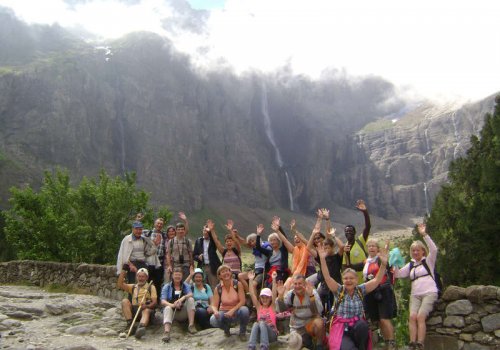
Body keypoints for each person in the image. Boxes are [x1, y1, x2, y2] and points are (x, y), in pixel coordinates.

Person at [318, 242, 389, 350]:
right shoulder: (339, 290)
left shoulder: (361, 290)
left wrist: (383, 264)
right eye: (346, 278)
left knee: (363, 325)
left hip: (357, 327)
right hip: (342, 328)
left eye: (351, 278)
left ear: (356, 280)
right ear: (342, 280)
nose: (348, 280)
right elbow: (327, 277)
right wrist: (322, 259)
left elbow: (376, 280)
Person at [394, 223, 438, 350]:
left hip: (429, 292)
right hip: (415, 295)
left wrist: (424, 234)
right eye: (413, 250)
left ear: (423, 251)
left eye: (418, 250)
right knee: (412, 317)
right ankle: (412, 343)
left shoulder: (428, 261)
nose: (415, 252)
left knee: (420, 316)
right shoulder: (411, 265)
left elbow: (434, 249)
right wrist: (395, 262)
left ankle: (420, 343)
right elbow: (398, 274)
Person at [363, 238, 397, 350]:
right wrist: (347, 254)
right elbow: (351, 266)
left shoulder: (380, 260)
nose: (371, 248)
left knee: (384, 318)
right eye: (369, 246)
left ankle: (391, 343)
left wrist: (385, 254)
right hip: (371, 293)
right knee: (375, 320)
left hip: (383, 290)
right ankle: (383, 343)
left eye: (374, 246)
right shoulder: (366, 261)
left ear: (378, 248)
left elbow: (386, 266)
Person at [275, 274, 325, 350]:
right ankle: (306, 343)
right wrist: (280, 297)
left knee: (319, 322)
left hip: (310, 322)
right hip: (296, 326)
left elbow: (318, 311)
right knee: (295, 345)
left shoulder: (312, 292)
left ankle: (319, 346)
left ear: (304, 284)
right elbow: (281, 310)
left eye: (300, 283)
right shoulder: (290, 295)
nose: (297, 286)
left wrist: (311, 297)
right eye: (295, 284)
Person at [210, 264, 249, 340]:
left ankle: (242, 332)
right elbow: (214, 305)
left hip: (237, 311)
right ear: (219, 276)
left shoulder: (237, 284)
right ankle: (226, 328)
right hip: (224, 312)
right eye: (222, 272)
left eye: (227, 271)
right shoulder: (218, 288)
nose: (225, 273)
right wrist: (215, 311)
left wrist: (232, 311)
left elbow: (242, 301)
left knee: (245, 310)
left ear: (230, 273)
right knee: (213, 320)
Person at [116, 266, 157, 339]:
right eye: (139, 276)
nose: (141, 278)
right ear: (136, 277)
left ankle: (140, 328)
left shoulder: (151, 287)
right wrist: (123, 272)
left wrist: (146, 306)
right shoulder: (133, 286)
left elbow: (154, 302)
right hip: (135, 310)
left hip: (145, 310)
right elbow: (120, 285)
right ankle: (130, 325)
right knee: (125, 301)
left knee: (146, 311)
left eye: (143, 277)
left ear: (146, 278)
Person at [160, 267, 197, 342]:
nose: (177, 277)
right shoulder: (167, 286)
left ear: (182, 276)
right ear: (172, 276)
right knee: (167, 307)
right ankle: (166, 332)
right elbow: (162, 301)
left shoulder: (185, 285)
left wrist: (183, 298)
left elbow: (190, 294)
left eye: (179, 275)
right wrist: (172, 305)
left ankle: (191, 325)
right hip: (173, 313)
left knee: (191, 300)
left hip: (183, 311)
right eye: (175, 275)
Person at [208, 219, 246, 289]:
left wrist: (230, 230)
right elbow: (216, 241)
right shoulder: (223, 252)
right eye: (227, 241)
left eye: (231, 241)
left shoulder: (237, 251)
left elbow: (237, 241)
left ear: (233, 242)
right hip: (226, 275)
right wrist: (212, 230)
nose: (229, 243)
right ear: (225, 243)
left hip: (237, 275)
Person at [247, 270, 278, 350]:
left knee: (261, 322)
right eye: (262, 297)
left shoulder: (272, 306)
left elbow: (274, 293)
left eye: (267, 297)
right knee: (255, 324)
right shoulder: (258, 307)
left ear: (270, 298)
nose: (264, 299)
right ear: (260, 298)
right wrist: (250, 280)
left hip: (272, 334)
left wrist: (274, 280)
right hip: (260, 335)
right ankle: (251, 347)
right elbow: (252, 294)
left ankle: (264, 347)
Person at [238, 224, 272, 292]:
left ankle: (254, 299)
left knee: (253, 284)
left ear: (257, 239)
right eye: (250, 242)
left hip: (263, 271)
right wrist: (236, 235)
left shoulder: (266, 247)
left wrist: (258, 234)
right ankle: (249, 293)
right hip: (255, 270)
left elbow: (261, 249)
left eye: (253, 241)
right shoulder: (255, 249)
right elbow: (244, 243)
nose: (252, 243)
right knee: (240, 276)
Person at [343, 200, 371, 281]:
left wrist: (365, 212)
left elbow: (368, 227)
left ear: (355, 232)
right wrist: (347, 254)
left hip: (365, 281)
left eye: (350, 231)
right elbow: (347, 268)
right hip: (353, 284)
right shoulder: (344, 249)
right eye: (346, 231)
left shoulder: (360, 241)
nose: (348, 233)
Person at [142, 217, 166, 304]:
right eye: (158, 223)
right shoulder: (146, 232)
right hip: (148, 262)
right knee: (146, 281)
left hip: (159, 262)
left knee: (158, 283)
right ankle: (145, 299)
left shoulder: (164, 235)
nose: (159, 225)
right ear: (154, 224)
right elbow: (135, 233)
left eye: (161, 224)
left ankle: (156, 301)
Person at [193, 221, 222, 289]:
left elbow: (215, 239)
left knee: (214, 286)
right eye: (204, 231)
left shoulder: (213, 241)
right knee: (202, 286)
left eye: (207, 231)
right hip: (202, 267)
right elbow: (194, 255)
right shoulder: (198, 241)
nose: (205, 232)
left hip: (212, 267)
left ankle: (215, 299)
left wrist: (211, 230)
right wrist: (198, 257)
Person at [166, 213, 193, 282]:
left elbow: (190, 254)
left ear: (184, 230)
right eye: (179, 229)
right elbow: (168, 255)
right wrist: (169, 265)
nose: (180, 231)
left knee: (186, 283)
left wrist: (192, 265)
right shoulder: (171, 242)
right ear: (176, 230)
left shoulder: (188, 241)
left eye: (182, 229)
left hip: (186, 266)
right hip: (175, 265)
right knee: (175, 283)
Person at [266, 216, 291, 285]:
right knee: (266, 286)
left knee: (273, 286)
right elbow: (258, 247)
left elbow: (284, 239)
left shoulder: (283, 250)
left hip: (281, 272)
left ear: (278, 241)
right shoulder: (269, 252)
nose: (273, 242)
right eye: (271, 240)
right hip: (271, 272)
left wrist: (278, 228)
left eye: (274, 240)